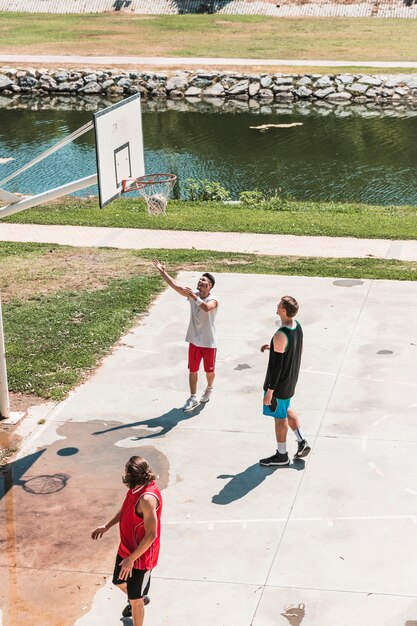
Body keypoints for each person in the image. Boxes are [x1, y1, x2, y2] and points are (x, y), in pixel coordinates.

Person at [91, 456, 162, 626]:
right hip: (126, 549)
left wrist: (132, 559)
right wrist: (107, 526)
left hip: (140, 557)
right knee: (118, 581)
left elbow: (151, 535)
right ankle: (138, 598)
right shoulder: (134, 490)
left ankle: (137, 602)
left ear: (132, 476)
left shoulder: (147, 499)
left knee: (135, 599)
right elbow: (125, 509)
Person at [153, 260, 218, 411]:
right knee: (193, 370)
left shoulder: (213, 299)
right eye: (200, 279)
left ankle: (209, 388)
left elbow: (207, 308)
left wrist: (194, 297)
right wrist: (162, 272)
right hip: (194, 341)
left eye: (204, 281)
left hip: (209, 343)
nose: (200, 281)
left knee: (209, 371)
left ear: (209, 286)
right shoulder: (193, 294)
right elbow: (175, 285)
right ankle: (193, 397)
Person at [260, 295, 311, 466]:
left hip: (279, 383)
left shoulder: (281, 334)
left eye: (279, 304)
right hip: (291, 378)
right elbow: (298, 349)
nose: (277, 305)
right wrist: (273, 348)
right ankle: (302, 440)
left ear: (283, 310)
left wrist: (269, 392)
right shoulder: (297, 326)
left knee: (279, 418)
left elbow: (277, 368)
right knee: (287, 407)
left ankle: (281, 455)